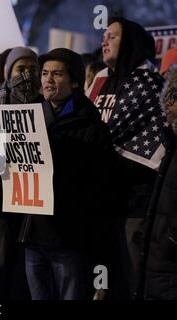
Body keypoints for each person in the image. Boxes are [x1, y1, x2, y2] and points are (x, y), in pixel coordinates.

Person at [18, 48, 119, 300]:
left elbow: (102, 188)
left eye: (57, 74)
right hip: (32, 233)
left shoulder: (92, 127)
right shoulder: (26, 118)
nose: (48, 79)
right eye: (44, 73)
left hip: (68, 238)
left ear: (74, 81)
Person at [86, 17, 167, 299]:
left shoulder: (149, 83)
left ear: (130, 42)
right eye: (104, 35)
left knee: (130, 276)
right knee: (104, 280)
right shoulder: (99, 81)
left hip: (133, 201)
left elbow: (108, 132)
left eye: (113, 36)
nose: (104, 40)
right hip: (101, 198)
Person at [0, 47, 41, 300]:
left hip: (36, 201)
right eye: (20, 69)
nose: (27, 76)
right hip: (1, 198)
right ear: (8, 72)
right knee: (0, 266)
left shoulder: (45, 101)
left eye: (33, 69)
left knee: (28, 269)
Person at [143, 65, 177, 300]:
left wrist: (171, 239)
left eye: (173, 99)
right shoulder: (171, 143)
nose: (166, 106)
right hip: (160, 258)